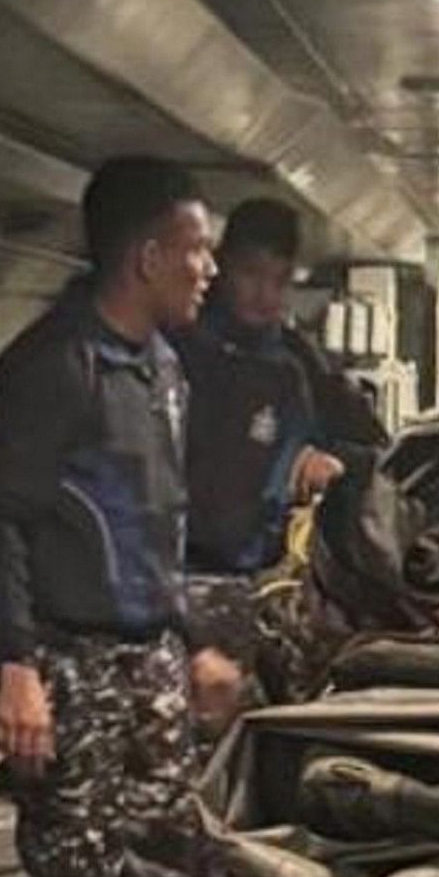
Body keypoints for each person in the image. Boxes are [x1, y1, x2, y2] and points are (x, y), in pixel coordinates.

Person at [0, 155, 223, 877]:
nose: (208, 270)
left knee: (169, 862)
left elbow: (156, 526)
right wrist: (16, 668)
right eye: (196, 251)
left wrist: (191, 641)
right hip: (72, 662)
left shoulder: (161, 367)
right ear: (146, 256)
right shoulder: (52, 365)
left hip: (148, 659)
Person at [172, 197, 389, 711]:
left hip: (256, 580)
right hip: (175, 579)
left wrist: (324, 458)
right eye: (250, 274)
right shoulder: (177, 349)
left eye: (279, 279)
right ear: (221, 266)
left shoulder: (294, 364)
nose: (263, 294)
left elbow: (371, 442)